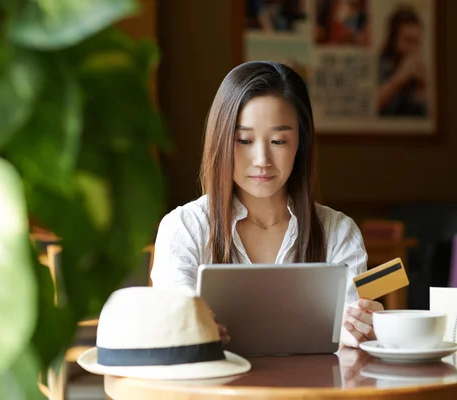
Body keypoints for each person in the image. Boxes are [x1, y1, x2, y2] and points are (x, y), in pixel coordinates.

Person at [150, 61, 383, 349]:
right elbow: (174, 315)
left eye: (278, 140)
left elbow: (349, 328)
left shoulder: (338, 231)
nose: (262, 159)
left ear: (302, 143)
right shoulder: (184, 228)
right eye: (244, 140)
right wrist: (190, 326)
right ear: (221, 141)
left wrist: (359, 327)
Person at [377, 7, 427, 116]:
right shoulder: (378, 64)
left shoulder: (417, 69)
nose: (413, 48)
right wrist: (401, 77)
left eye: (417, 42)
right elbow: (370, 106)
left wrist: (423, 87)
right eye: (408, 40)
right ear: (392, 39)